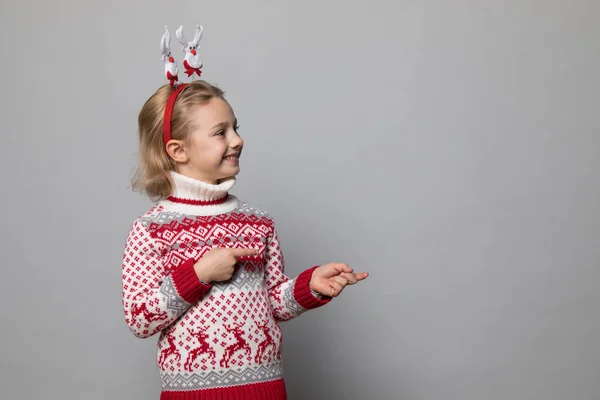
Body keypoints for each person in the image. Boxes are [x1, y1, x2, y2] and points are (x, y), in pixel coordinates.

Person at [121, 25, 368, 400]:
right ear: (178, 150)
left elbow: (273, 301)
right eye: (220, 132)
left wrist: (308, 286)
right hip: (192, 395)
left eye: (235, 128)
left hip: (266, 388)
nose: (237, 139)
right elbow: (140, 318)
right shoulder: (152, 229)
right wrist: (200, 274)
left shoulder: (257, 221)